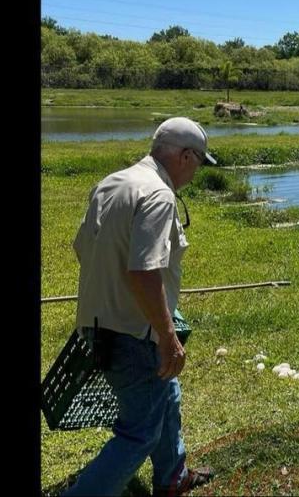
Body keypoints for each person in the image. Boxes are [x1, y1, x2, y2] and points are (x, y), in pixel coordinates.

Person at [63, 117, 217, 496]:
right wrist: (166, 335)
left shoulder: (111, 183)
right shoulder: (159, 196)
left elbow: (82, 247)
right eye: (198, 162)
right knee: (139, 433)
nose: (196, 171)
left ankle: (172, 476)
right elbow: (144, 272)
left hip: (99, 324)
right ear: (184, 156)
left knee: (167, 393)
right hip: (134, 334)